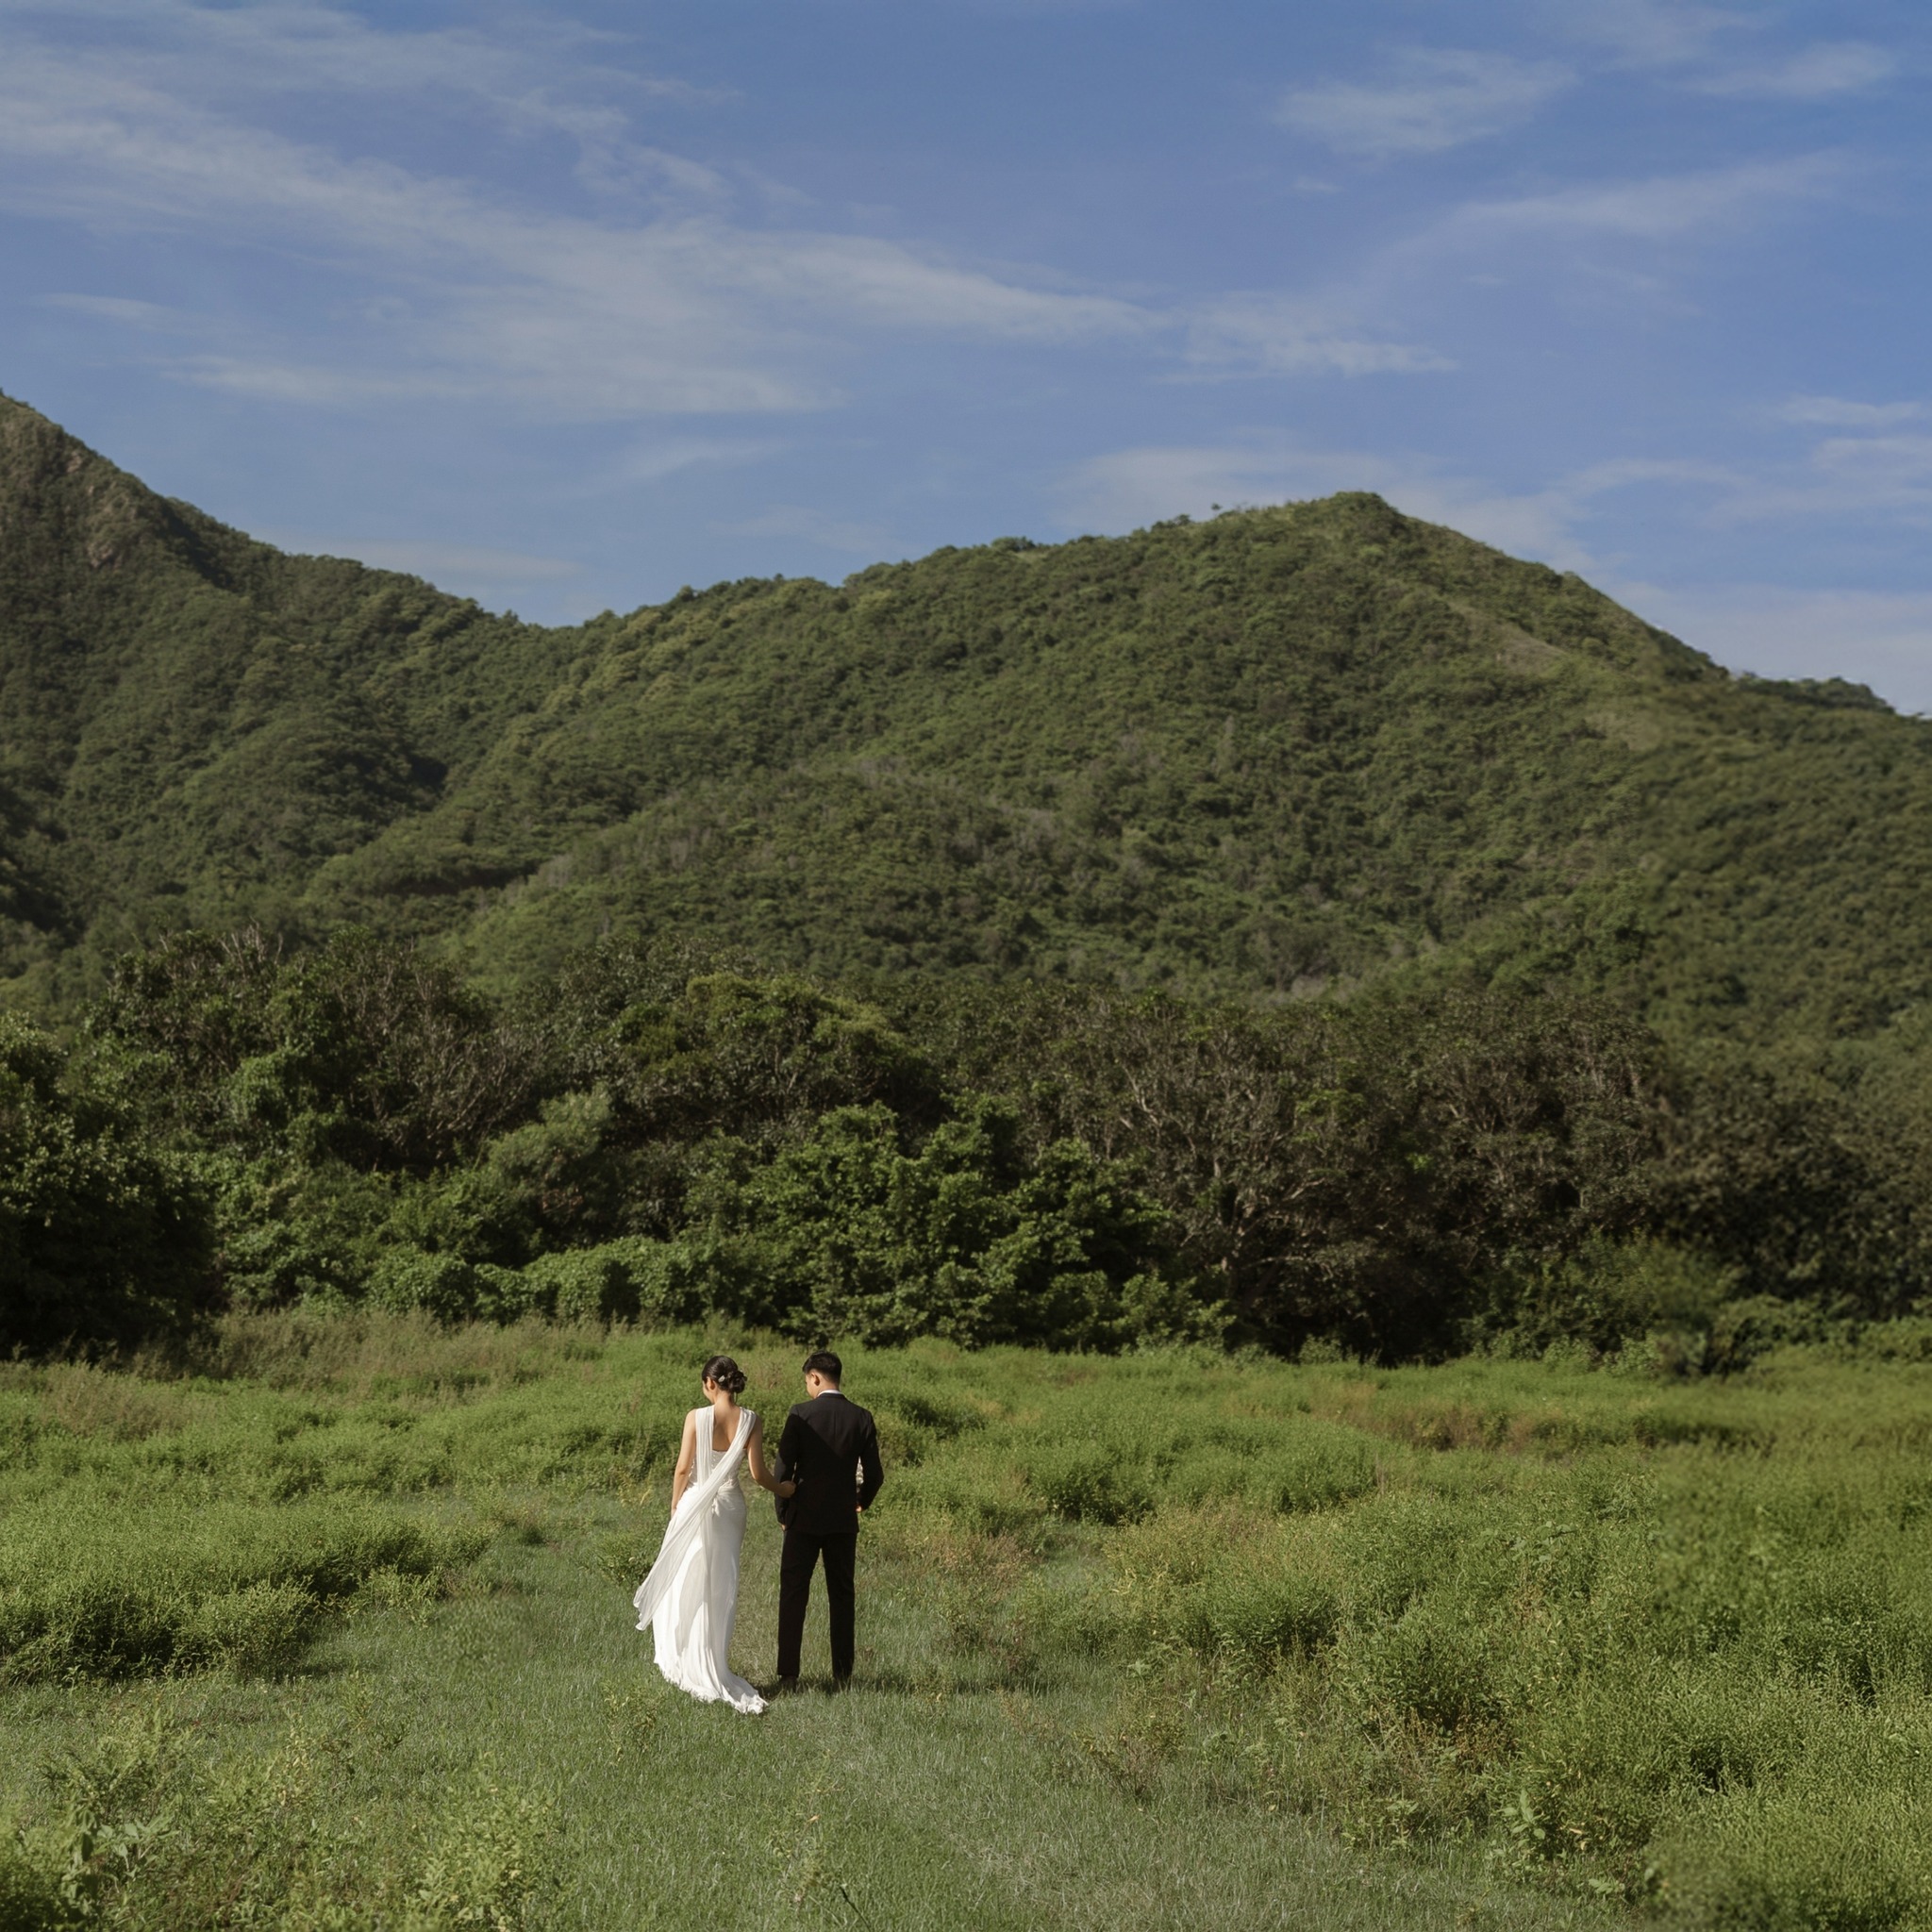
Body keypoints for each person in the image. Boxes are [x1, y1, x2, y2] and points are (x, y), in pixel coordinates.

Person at [632, 1354, 793, 1714]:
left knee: (687, 1577)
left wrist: (676, 1506)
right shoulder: (751, 1420)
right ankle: (713, 1659)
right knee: (720, 1584)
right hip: (731, 1509)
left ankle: (686, 1654)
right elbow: (758, 1474)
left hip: (695, 1502)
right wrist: (784, 1491)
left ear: (710, 1383)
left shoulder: (696, 1417)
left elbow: (682, 1468)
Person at [772, 1350, 884, 1691]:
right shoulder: (861, 1417)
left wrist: (782, 1512)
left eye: (807, 1380)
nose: (807, 1386)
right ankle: (843, 1675)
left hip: (802, 1519)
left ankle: (789, 1674)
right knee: (842, 1596)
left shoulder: (800, 1414)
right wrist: (860, 1501)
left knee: (793, 1594)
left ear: (815, 1377)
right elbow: (875, 1474)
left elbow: (782, 1469)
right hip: (842, 1521)